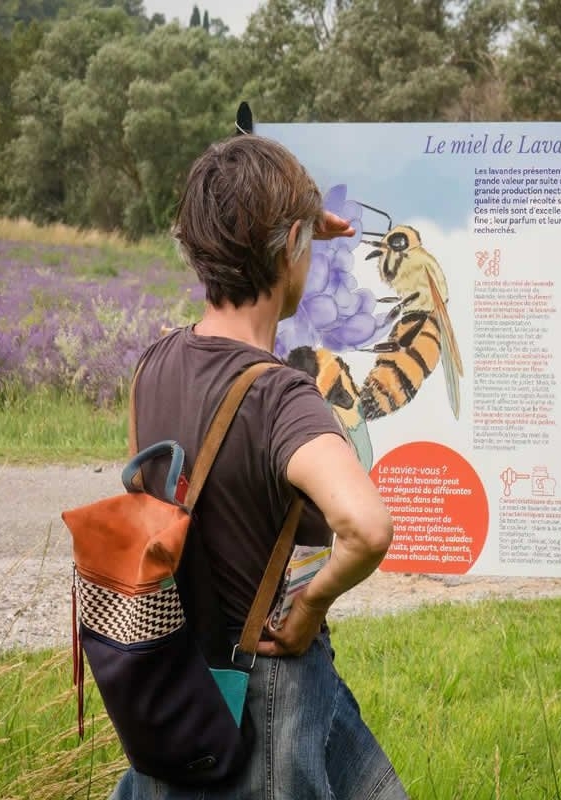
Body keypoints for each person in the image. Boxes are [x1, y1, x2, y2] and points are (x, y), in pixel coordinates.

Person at [111, 134, 407, 800]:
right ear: (290, 246)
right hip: (270, 695)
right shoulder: (281, 396)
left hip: (178, 678)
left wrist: (297, 225)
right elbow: (367, 527)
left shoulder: (152, 367)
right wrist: (312, 604)